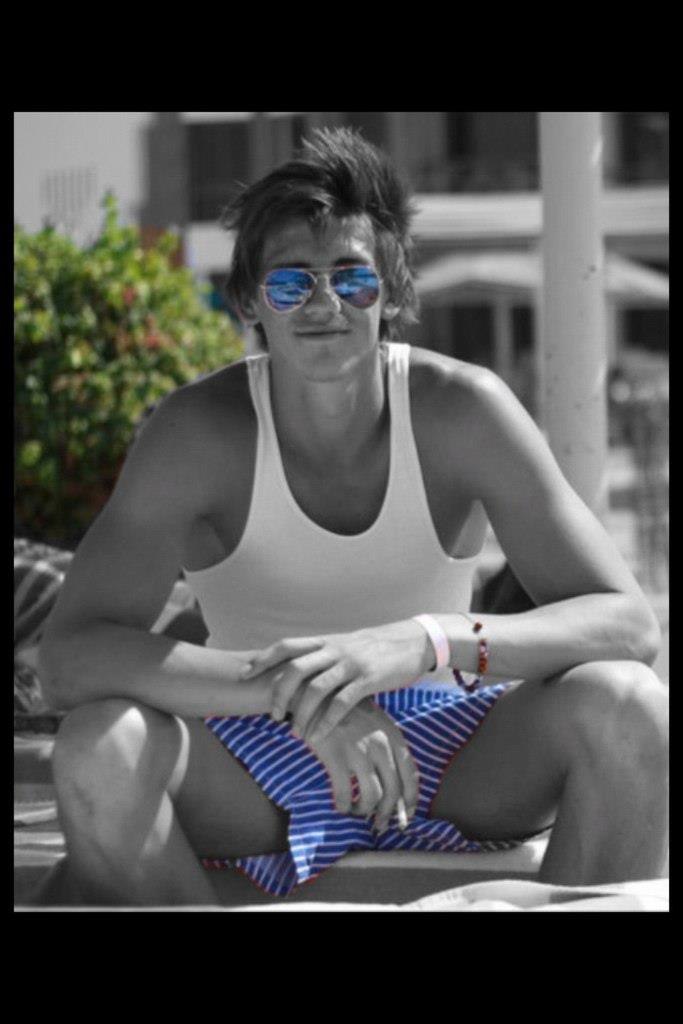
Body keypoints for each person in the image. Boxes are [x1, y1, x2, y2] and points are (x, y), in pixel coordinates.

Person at [38, 128, 668, 907]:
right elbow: (69, 659)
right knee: (100, 747)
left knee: (628, 706)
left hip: (449, 743)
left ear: (394, 293)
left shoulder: (462, 411)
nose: (323, 304)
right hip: (249, 744)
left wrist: (423, 641)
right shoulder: (196, 434)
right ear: (248, 300)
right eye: (289, 283)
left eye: (353, 278)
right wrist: (300, 696)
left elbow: (627, 624)